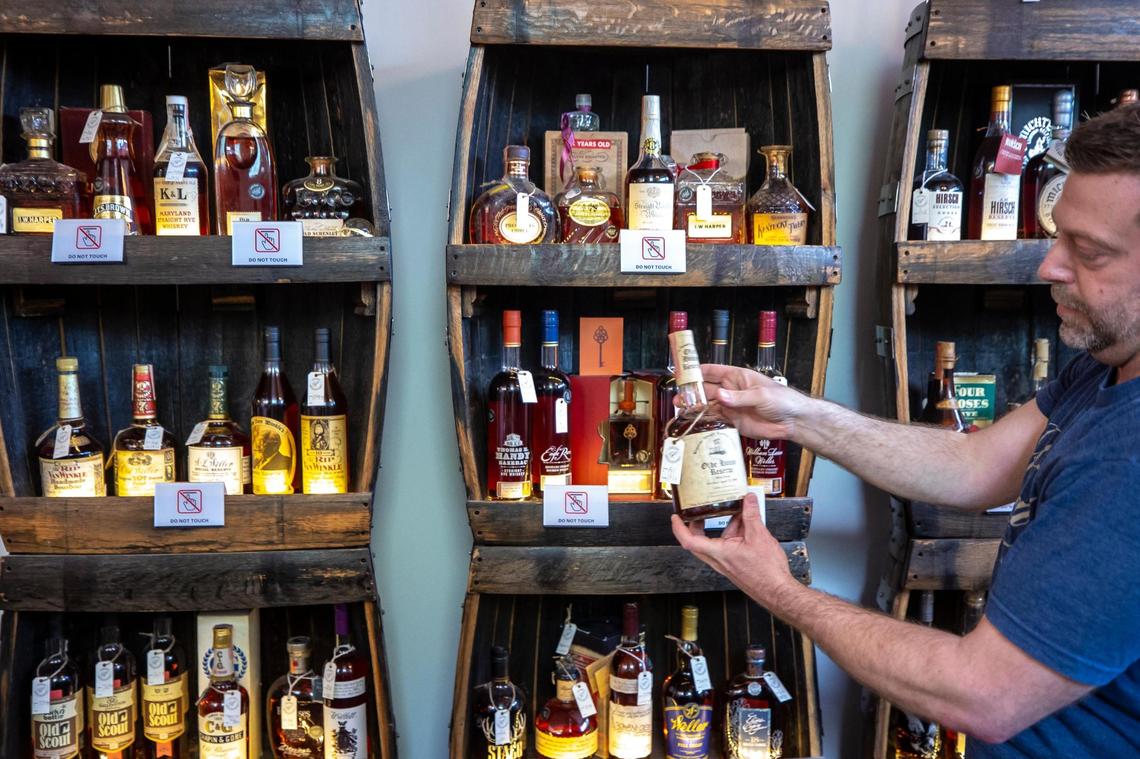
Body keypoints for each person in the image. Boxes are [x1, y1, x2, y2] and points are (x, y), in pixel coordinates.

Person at [673, 103, 1140, 756]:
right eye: (1059, 235)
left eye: (1087, 251)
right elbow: (975, 465)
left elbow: (983, 693)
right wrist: (795, 413)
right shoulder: (1108, 367)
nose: (1048, 266)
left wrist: (780, 588)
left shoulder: (1130, 466)